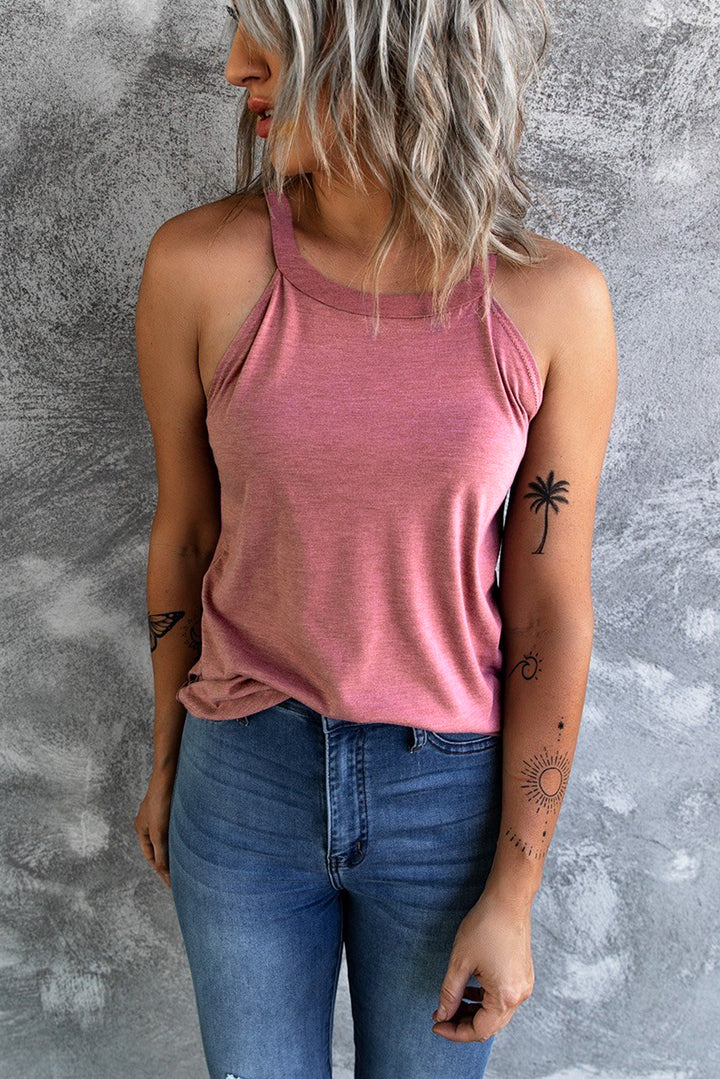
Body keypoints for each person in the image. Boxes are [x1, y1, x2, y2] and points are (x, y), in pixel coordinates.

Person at [133, 0, 618, 1075]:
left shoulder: (551, 303)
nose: (233, 67)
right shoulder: (199, 267)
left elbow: (549, 611)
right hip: (242, 779)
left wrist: (516, 888)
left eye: (269, 31)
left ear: (379, 38)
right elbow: (187, 533)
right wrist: (167, 762)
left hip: (449, 803)